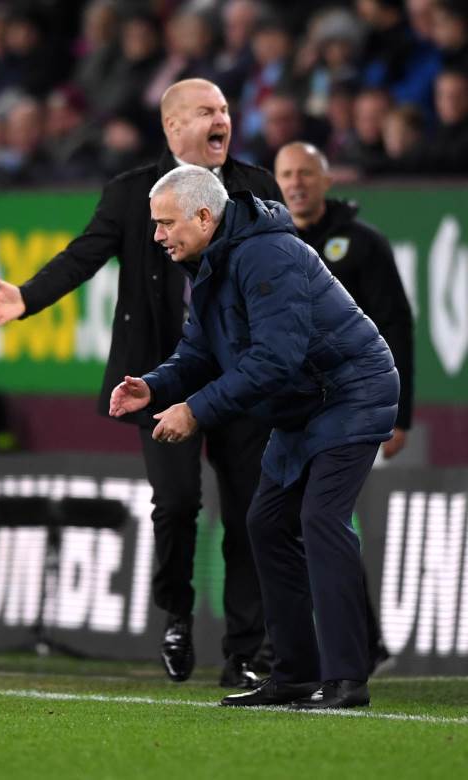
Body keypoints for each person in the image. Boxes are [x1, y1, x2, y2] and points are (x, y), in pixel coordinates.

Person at [0, 78, 281, 688]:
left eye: (225, 109)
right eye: (205, 111)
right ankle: (176, 612)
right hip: (161, 380)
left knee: (250, 510)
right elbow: (82, 255)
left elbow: (289, 266)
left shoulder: (256, 187)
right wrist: (29, 297)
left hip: (241, 378)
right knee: (176, 502)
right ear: (173, 128)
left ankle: (245, 651)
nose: (221, 119)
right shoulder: (130, 194)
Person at [110, 165, 398, 709]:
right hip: (304, 403)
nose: (156, 236)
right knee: (266, 523)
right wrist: (153, 387)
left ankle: (346, 678)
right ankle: (293, 673)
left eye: (164, 223)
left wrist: (194, 412)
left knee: (321, 519)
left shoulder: (268, 255)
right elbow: (197, 352)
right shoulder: (211, 262)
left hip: (350, 391)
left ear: (202, 216)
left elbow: (275, 358)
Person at [275, 140, 414, 675]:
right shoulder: (276, 242)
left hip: (354, 405)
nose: (296, 183)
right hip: (299, 411)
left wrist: (400, 414)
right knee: (313, 523)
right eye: (286, 174)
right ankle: (359, 642)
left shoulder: (363, 245)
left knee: (323, 520)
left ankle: (352, 648)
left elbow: (395, 327)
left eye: (306, 173)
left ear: (327, 180)